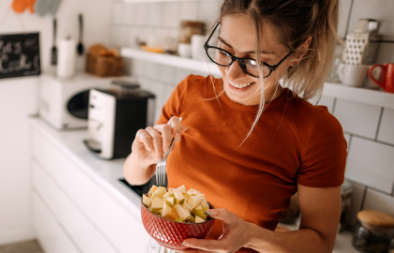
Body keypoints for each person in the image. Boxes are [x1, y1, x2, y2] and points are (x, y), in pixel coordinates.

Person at [124, 0, 347, 252]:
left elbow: (321, 243)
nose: (231, 74)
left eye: (255, 61)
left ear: (299, 51)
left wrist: (252, 237)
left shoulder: (315, 130)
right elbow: (135, 176)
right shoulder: (190, 90)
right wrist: (140, 157)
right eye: (224, 51)